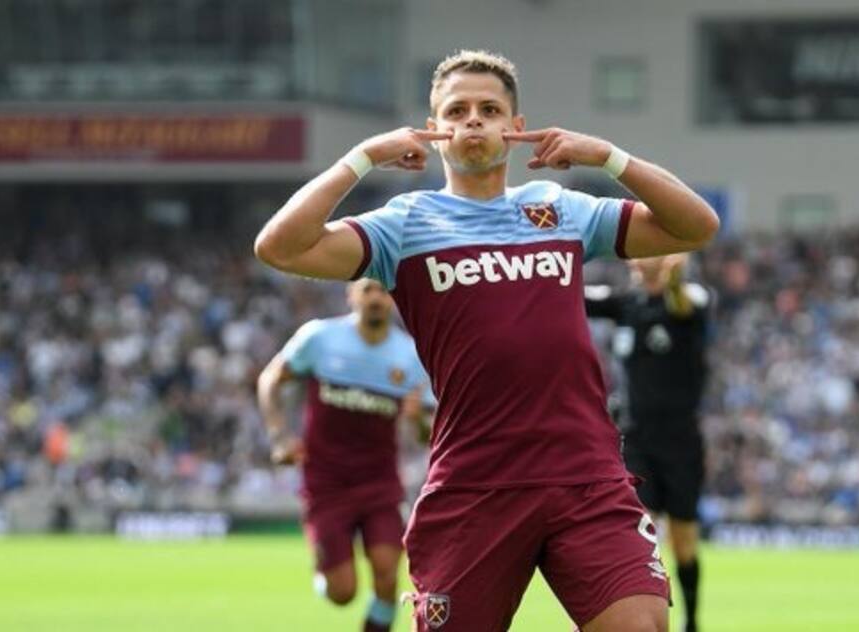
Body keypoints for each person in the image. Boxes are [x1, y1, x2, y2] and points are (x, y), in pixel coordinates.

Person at [254, 49, 719, 631]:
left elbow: (696, 226)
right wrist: (363, 158)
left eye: (490, 109)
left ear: (515, 128)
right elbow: (280, 247)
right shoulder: (404, 223)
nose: (474, 120)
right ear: (435, 130)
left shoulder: (559, 209)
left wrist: (607, 157)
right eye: (458, 110)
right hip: (476, 485)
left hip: (586, 475)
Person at [257, 278, 433, 632]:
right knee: (343, 593)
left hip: (380, 481)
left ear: (393, 300)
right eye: (368, 289)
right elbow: (270, 379)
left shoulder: (411, 356)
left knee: (386, 572)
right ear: (351, 295)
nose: (376, 298)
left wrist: (417, 422)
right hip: (326, 482)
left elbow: (427, 432)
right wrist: (279, 436)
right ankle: (325, 570)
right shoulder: (320, 338)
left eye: (383, 292)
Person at [585, 254, 711, 632]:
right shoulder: (627, 304)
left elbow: (686, 305)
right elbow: (576, 297)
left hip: (680, 442)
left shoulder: (689, 299)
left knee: (684, 539)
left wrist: (675, 279)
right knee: (644, 537)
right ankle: (651, 616)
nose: (639, 257)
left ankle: (691, 620)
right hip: (636, 438)